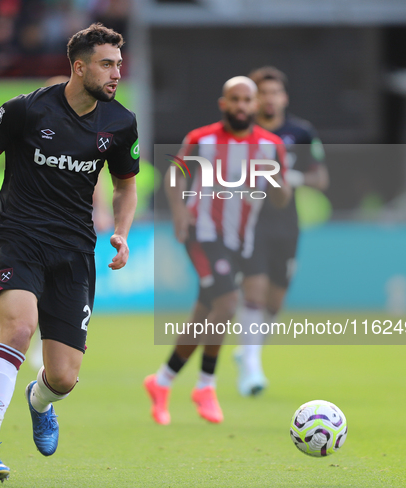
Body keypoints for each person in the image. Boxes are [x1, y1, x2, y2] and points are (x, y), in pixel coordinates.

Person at [0, 23, 139, 483]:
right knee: (18, 328)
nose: (116, 74)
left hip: (74, 252)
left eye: (119, 65)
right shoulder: (26, 110)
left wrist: (123, 232)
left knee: (65, 377)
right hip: (20, 238)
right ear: (79, 67)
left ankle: (39, 400)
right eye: (107, 65)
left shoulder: (120, 122)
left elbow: (125, 185)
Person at [144, 76, 290, 425]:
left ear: (255, 106)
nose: (241, 106)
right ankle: (205, 386)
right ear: (223, 104)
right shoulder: (201, 138)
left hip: (242, 240)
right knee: (227, 304)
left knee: (205, 313)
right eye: (234, 99)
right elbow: (175, 172)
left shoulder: (271, 146)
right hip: (202, 234)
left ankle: (162, 380)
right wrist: (179, 210)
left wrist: (280, 184)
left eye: (247, 100)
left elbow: (282, 197)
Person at [234, 66, 329, 396]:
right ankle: (251, 368)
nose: (269, 99)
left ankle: (249, 349)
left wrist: (292, 178)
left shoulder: (301, 133)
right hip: (251, 221)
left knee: (276, 299)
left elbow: (321, 178)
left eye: (275, 92)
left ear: (284, 97)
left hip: (287, 223)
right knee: (254, 291)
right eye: (263, 94)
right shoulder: (242, 131)